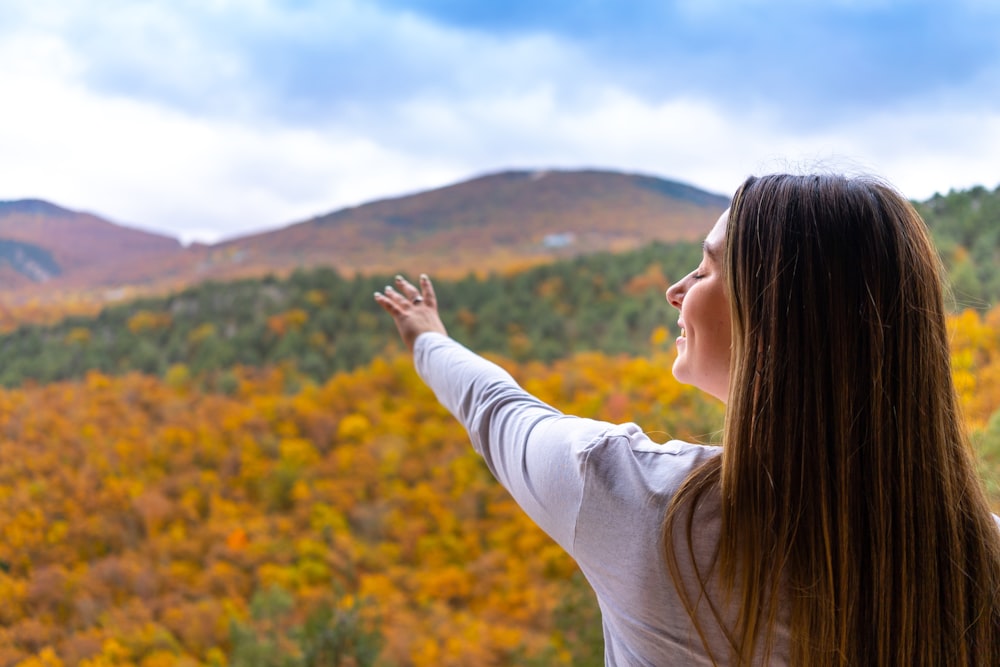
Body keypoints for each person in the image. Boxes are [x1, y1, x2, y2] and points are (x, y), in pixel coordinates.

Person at [374, 173, 1000, 666]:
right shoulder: (982, 555)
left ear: (772, 315)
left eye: (705, 267)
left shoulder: (635, 502)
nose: (676, 289)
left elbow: (497, 412)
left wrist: (428, 339)